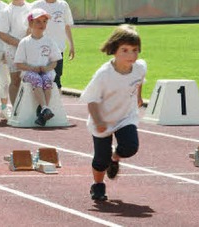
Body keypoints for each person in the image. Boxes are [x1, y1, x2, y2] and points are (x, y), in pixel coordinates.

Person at [80, 24, 145, 201]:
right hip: (102, 120)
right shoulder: (104, 75)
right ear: (114, 50)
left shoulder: (140, 67)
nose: (131, 55)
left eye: (134, 50)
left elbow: (139, 81)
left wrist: (139, 96)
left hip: (126, 116)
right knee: (101, 159)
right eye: (125, 50)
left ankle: (115, 158)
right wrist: (99, 121)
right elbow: (91, 100)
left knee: (131, 146)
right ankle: (98, 185)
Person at [14, 8, 62, 126]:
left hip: (45, 72)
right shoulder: (24, 42)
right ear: (31, 24)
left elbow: (54, 62)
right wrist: (32, 68)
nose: (42, 24)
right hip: (28, 73)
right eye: (38, 22)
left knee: (47, 80)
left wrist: (47, 68)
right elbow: (18, 63)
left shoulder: (50, 41)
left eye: (44, 21)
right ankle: (45, 109)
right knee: (37, 79)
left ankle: (43, 112)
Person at [31, 0, 75, 90]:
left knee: (56, 80)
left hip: (58, 50)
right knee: (40, 79)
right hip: (39, 49)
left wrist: (71, 45)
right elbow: (29, 26)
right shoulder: (36, 5)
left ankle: (56, 104)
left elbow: (67, 26)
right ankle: (41, 104)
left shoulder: (63, 5)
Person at [0, 0, 31, 107]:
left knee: (32, 80)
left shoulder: (32, 8)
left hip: (31, 49)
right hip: (13, 50)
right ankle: (16, 110)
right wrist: (21, 44)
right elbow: (2, 34)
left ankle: (31, 110)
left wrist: (29, 42)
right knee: (15, 80)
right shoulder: (6, 11)